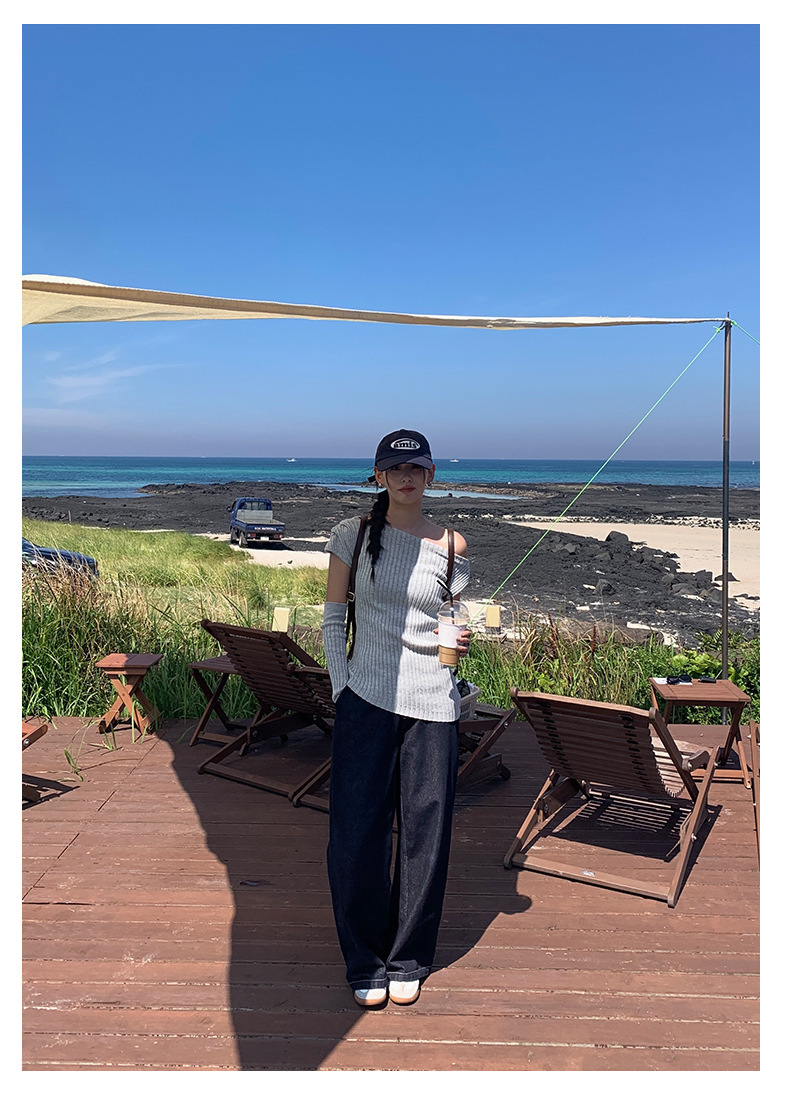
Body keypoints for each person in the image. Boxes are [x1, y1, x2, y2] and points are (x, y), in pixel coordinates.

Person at [321, 429, 471, 1009]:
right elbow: (333, 619)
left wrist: (461, 638)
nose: (406, 478)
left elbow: (450, 617)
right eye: (395, 469)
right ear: (379, 476)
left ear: (431, 475)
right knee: (356, 834)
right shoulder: (352, 534)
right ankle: (364, 958)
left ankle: (408, 957)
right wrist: (343, 687)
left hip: (433, 702)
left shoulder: (452, 544)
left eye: (416, 468)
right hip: (366, 697)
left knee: (426, 835)